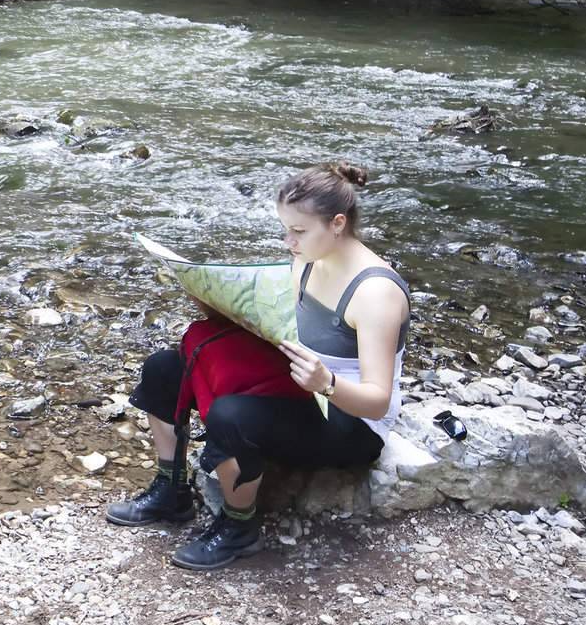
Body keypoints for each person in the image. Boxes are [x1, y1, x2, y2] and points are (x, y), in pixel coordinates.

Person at [105, 162, 412, 571]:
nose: (289, 241)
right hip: (302, 384)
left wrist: (328, 382)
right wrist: (214, 302)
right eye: (286, 229)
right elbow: (278, 321)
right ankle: (171, 490)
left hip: (349, 421)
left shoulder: (377, 293)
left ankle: (239, 527)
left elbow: (377, 401)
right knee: (164, 368)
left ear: (337, 224)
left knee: (233, 415)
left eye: (298, 232)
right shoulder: (309, 257)